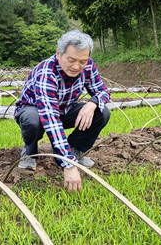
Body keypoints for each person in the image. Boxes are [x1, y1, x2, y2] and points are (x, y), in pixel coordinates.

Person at [14, 29, 111, 192]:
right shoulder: (47, 72)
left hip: (65, 109)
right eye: (71, 60)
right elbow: (50, 119)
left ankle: (74, 149)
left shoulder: (88, 66)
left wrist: (92, 103)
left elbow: (103, 91)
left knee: (102, 112)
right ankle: (30, 151)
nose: (76, 66)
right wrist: (69, 165)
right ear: (58, 54)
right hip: (36, 111)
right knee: (33, 120)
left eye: (82, 61)